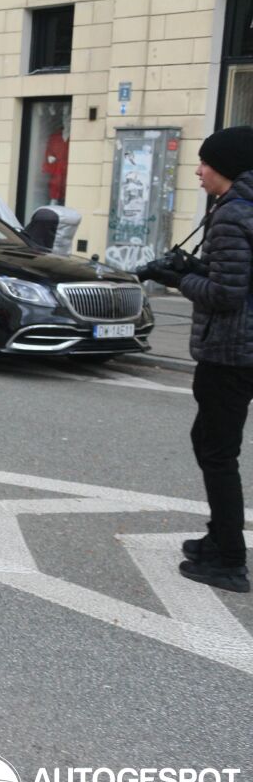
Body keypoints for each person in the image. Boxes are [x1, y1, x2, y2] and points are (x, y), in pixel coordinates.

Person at [137, 125, 253, 593]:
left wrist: (177, 279)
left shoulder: (231, 216)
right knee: (209, 442)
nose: (199, 171)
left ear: (225, 167)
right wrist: (194, 268)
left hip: (230, 352)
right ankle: (217, 538)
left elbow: (226, 294)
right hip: (242, 349)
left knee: (217, 452)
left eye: (205, 163)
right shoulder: (242, 209)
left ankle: (228, 560)